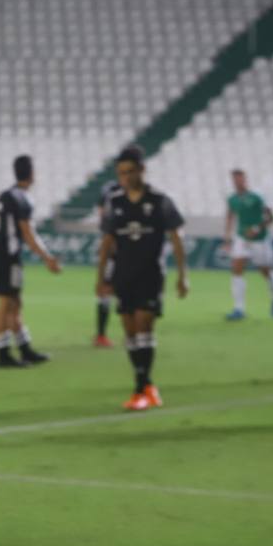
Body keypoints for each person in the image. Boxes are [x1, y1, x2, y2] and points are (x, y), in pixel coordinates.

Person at [95, 146, 189, 411]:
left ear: (141, 170)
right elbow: (107, 242)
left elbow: (176, 237)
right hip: (123, 274)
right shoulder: (114, 202)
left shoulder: (160, 200)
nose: (125, 177)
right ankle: (146, 385)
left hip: (150, 274)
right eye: (121, 173)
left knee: (144, 325)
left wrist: (183, 275)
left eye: (130, 172)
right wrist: (101, 277)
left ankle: (140, 389)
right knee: (130, 331)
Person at [0, 155, 61, 368]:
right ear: (31, 173)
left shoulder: (6, 195)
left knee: (14, 303)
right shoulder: (22, 198)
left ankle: (24, 348)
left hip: (0, 254)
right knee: (6, 303)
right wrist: (47, 258)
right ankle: (2, 353)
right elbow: (28, 233)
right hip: (8, 258)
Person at [224, 169, 273, 321]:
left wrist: (256, 229)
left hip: (260, 239)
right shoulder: (232, 199)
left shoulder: (257, 197)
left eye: (240, 179)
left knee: (265, 272)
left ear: (245, 179)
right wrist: (228, 238)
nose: (237, 182)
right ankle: (239, 309)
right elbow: (230, 217)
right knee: (236, 270)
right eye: (235, 179)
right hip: (242, 239)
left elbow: (271, 218)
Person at [93, 177, 122, 348]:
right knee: (106, 290)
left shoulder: (112, 192)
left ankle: (103, 335)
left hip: (120, 251)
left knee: (118, 292)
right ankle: (101, 335)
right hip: (113, 251)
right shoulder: (112, 190)